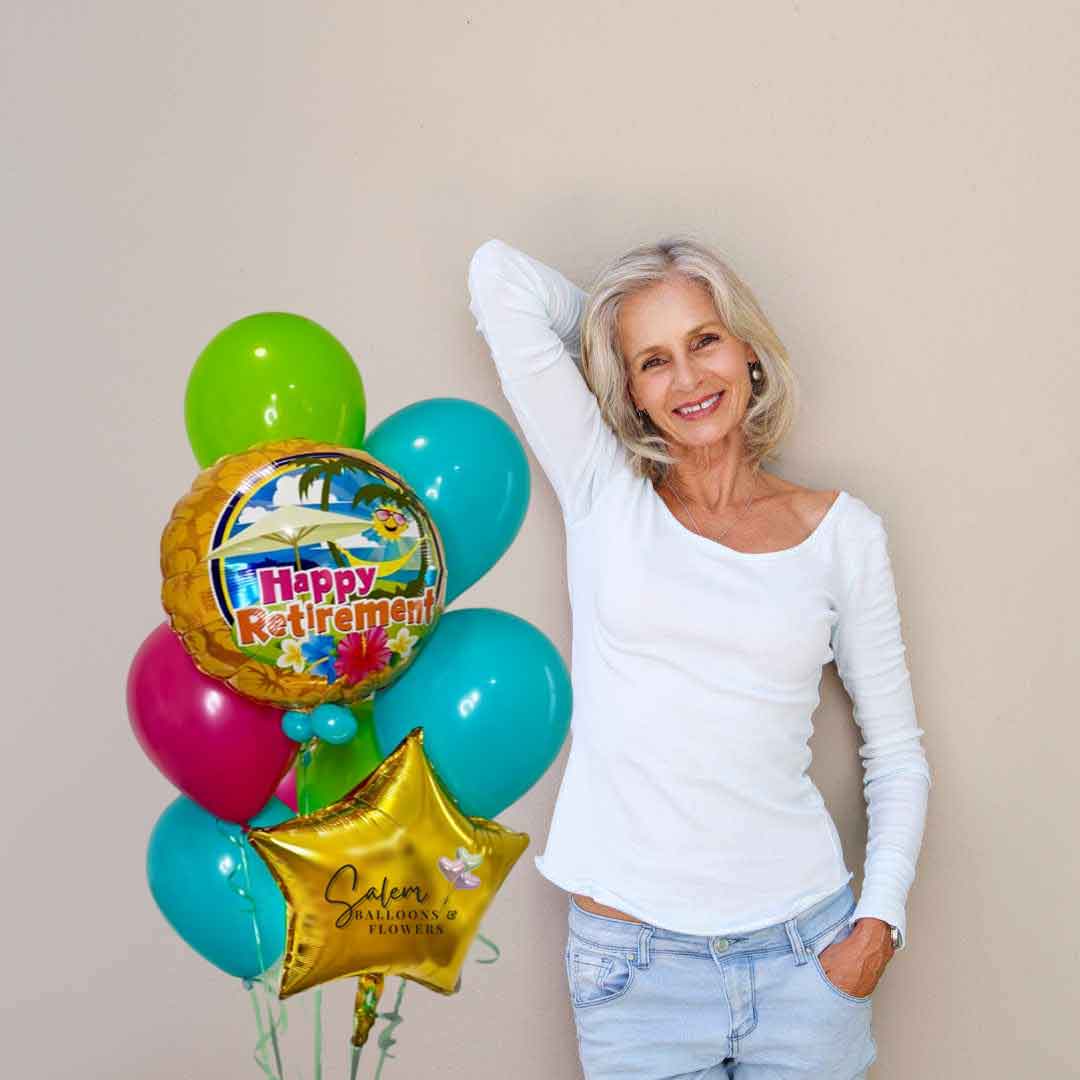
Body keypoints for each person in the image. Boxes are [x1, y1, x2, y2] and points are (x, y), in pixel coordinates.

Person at [466, 235, 932, 1079]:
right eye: (653, 362)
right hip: (634, 972)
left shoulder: (843, 535)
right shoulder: (604, 491)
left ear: (748, 348)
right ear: (630, 390)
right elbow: (497, 277)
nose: (687, 380)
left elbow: (896, 752)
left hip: (806, 956)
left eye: (704, 341)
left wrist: (878, 927)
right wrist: (611, 328)